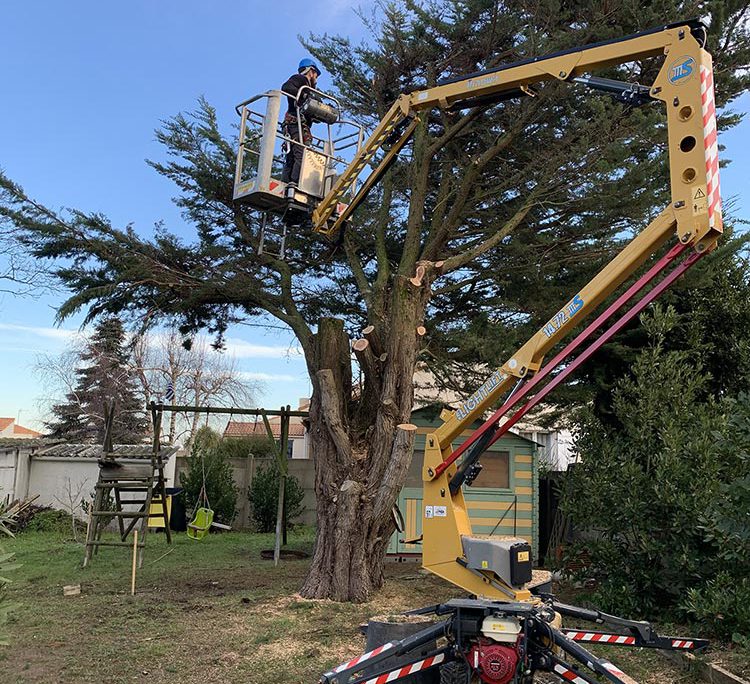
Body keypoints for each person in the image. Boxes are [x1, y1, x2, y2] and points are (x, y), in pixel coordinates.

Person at [281, 58, 322, 186]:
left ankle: (286, 181)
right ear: (311, 71)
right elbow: (286, 87)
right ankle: (294, 182)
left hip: (297, 124)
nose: (316, 77)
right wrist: (304, 96)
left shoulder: (309, 89)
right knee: (300, 153)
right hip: (295, 123)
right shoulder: (301, 80)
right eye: (315, 74)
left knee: (292, 154)